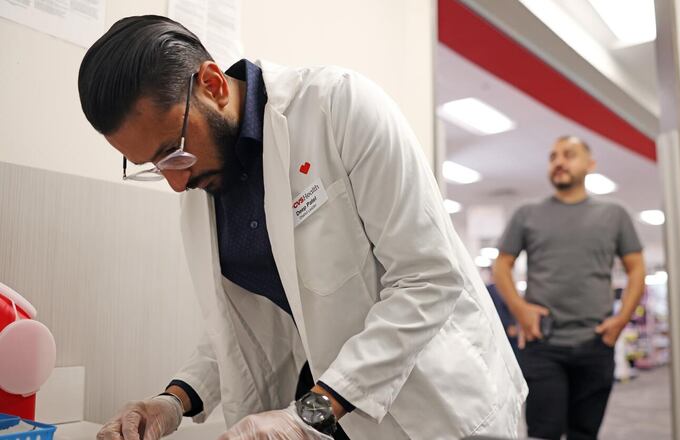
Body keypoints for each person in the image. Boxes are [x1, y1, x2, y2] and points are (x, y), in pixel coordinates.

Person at [78, 15, 527, 440]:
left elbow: (428, 280)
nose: (177, 183)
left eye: (172, 152)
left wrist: (309, 413)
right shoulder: (207, 179)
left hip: (437, 408)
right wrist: (173, 401)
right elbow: (246, 325)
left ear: (212, 84)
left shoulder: (339, 106)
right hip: (337, 413)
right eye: (155, 166)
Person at [493, 136, 646, 440]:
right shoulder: (527, 214)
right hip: (542, 343)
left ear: (590, 164)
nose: (559, 162)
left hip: (596, 341)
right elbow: (502, 265)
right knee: (543, 432)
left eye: (569, 154)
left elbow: (636, 268)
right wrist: (520, 309)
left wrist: (621, 320)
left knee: (584, 433)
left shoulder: (614, 214)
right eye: (553, 157)